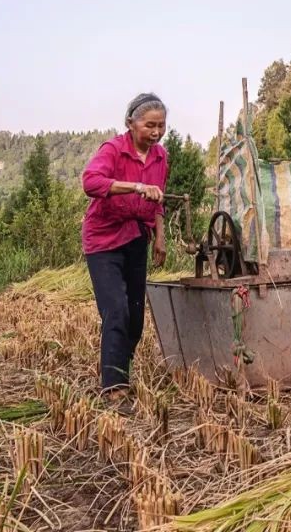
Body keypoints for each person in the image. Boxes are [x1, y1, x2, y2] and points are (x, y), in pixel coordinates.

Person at [81, 93, 169, 401]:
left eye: (161, 125)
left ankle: (119, 365)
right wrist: (135, 186)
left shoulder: (161, 157)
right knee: (115, 309)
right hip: (103, 239)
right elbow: (90, 182)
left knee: (135, 315)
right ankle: (114, 385)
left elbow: (159, 200)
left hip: (136, 237)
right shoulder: (113, 150)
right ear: (131, 123)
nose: (156, 132)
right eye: (149, 125)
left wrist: (159, 237)